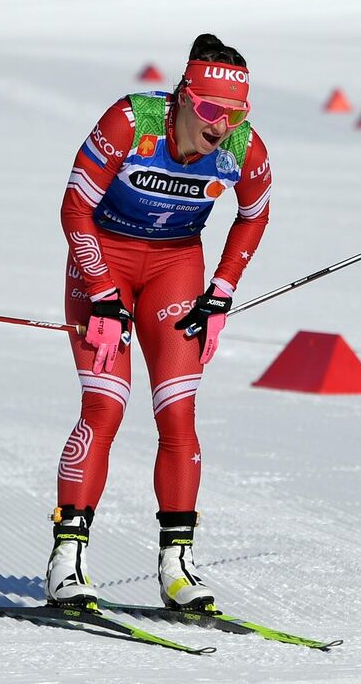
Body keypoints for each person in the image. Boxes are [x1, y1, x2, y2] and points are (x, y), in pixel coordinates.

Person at [45, 33, 272, 613]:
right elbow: (75, 207)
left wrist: (220, 292)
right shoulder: (130, 120)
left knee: (177, 412)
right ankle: (67, 558)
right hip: (105, 260)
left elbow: (255, 213)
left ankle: (177, 565)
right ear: (182, 98)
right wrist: (99, 293)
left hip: (175, 267)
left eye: (235, 112)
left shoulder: (242, 147)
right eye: (209, 110)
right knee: (105, 405)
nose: (221, 126)